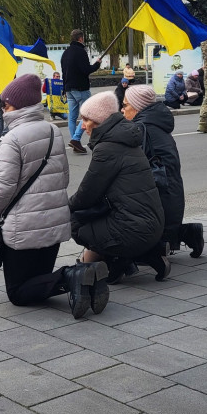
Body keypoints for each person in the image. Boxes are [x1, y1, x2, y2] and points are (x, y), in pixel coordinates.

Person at [0, 74, 107, 318]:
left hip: (24, 227)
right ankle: (79, 280)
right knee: (39, 279)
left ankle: (71, 275)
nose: (4, 109)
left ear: (19, 106)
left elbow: (2, 188)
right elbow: (63, 178)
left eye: (7, 105)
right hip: (53, 222)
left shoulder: (12, 139)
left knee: (18, 293)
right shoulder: (53, 131)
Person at [69, 91, 168, 287]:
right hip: (153, 224)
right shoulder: (125, 139)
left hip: (134, 229)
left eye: (86, 119)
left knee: (74, 223)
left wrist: (63, 207)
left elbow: (86, 195)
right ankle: (135, 258)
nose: (82, 125)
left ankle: (118, 261)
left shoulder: (107, 148)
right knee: (97, 219)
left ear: (98, 121)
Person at [122, 85, 204, 258]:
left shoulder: (142, 128)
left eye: (125, 105)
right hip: (170, 189)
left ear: (138, 107)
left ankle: (180, 238)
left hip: (160, 190)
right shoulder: (155, 122)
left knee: (149, 243)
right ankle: (189, 233)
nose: (122, 110)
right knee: (165, 228)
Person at [61, 29, 102, 154]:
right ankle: (76, 139)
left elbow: (64, 72)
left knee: (72, 117)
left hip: (69, 88)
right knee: (88, 113)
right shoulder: (81, 52)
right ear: (80, 39)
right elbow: (86, 70)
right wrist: (97, 64)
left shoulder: (65, 53)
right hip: (81, 88)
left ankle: (75, 142)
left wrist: (64, 87)